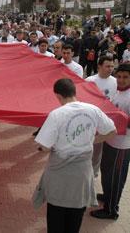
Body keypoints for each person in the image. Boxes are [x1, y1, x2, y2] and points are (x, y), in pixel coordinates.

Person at [33, 78, 116, 233]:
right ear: (74, 92)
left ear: (57, 95)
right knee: (76, 216)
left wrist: (42, 145)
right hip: (82, 172)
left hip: (60, 173)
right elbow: (112, 131)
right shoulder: (93, 110)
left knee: (56, 215)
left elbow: (44, 146)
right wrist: (91, 140)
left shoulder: (56, 114)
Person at [90, 64, 130, 220]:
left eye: (125, 77)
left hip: (122, 145)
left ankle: (111, 210)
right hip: (110, 140)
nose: (121, 80)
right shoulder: (117, 91)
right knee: (106, 172)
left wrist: (120, 120)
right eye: (119, 76)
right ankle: (108, 197)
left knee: (115, 177)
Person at [85, 55, 117, 177]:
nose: (110, 69)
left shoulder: (115, 82)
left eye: (112, 66)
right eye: (107, 66)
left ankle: (93, 173)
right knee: (87, 146)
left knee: (98, 149)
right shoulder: (89, 81)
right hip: (90, 120)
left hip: (106, 121)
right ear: (99, 66)